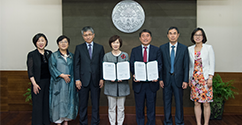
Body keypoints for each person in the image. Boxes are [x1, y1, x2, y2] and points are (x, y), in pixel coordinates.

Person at [74, 26, 105, 125]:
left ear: (93, 35)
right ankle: (83, 122)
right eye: (85, 35)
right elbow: (76, 65)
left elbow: (102, 64)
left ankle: (95, 122)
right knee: (83, 103)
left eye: (89, 35)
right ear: (83, 36)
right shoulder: (79, 48)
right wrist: (77, 79)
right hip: (83, 80)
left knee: (95, 103)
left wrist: (101, 78)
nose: (88, 37)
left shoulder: (100, 48)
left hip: (96, 79)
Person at [130, 29, 162, 125]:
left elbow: (160, 65)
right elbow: (131, 65)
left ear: (150, 38)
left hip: (152, 83)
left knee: (151, 107)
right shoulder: (134, 50)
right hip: (139, 84)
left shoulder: (156, 50)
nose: (145, 38)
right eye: (143, 36)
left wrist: (156, 75)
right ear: (140, 38)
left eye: (147, 36)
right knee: (139, 107)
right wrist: (134, 74)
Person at [159, 27, 189, 125]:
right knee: (167, 102)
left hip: (179, 80)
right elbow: (160, 65)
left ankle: (179, 122)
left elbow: (186, 65)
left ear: (178, 35)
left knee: (179, 103)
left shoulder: (184, 48)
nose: (172, 35)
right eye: (170, 33)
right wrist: (161, 79)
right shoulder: (162, 48)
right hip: (166, 80)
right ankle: (167, 121)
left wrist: (185, 80)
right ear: (167, 35)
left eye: (174, 33)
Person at [49, 35, 79, 125]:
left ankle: (66, 121)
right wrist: (62, 75)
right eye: (61, 42)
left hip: (69, 83)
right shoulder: (54, 55)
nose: (63, 44)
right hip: (58, 82)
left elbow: (75, 69)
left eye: (65, 42)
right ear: (58, 44)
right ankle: (58, 121)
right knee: (58, 102)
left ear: (68, 44)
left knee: (68, 100)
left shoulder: (72, 56)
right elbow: (51, 68)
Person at [188, 28, 215, 125]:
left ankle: (206, 123)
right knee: (196, 102)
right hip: (195, 79)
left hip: (206, 79)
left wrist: (211, 77)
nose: (198, 37)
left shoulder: (208, 48)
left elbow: (212, 64)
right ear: (193, 37)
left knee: (206, 103)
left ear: (203, 37)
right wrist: (189, 78)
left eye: (200, 35)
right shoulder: (189, 49)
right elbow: (190, 66)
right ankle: (199, 123)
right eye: (196, 35)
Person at [103, 35, 130, 125]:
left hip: (122, 86)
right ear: (110, 44)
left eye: (117, 42)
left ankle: (120, 123)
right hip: (110, 86)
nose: (115, 44)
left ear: (120, 44)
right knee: (111, 107)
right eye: (113, 42)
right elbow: (105, 70)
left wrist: (123, 77)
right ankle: (112, 123)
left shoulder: (124, 55)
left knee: (121, 107)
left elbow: (127, 69)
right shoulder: (107, 56)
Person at [26, 33, 52, 125]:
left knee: (46, 105)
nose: (41, 43)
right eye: (38, 41)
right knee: (37, 106)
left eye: (42, 40)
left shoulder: (49, 53)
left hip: (49, 83)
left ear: (46, 42)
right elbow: (30, 71)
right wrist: (34, 84)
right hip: (37, 83)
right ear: (35, 43)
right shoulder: (32, 54)